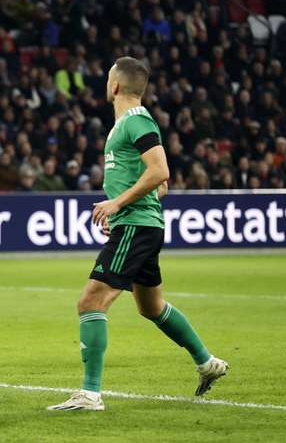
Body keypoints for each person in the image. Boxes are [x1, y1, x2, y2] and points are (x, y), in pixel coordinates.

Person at [47, 57, 228, 411]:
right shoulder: (123, 126)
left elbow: (161, 171)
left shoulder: (136, 119)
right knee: (151, 306)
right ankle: (207, 362)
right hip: (140, 224)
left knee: (90, 302)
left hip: (135, 226)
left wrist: (118, 204)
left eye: (107, 76)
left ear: (115, 85)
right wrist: (124, 200)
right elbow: (160, 188)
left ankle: (90, 394)